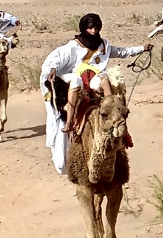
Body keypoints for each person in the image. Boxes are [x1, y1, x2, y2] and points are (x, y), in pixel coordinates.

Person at [40, 13, 152, 174]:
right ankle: (69, 122)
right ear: (84, 28)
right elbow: (57, 58)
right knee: (75, 82)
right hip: (77, 76)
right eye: (90, 28)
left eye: (96, 27)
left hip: (94, 77)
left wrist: (142, 48)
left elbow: (121, 52)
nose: (93, 31)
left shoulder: (103, 45)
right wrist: (53, 68)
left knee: (105, 80)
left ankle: (112, 116)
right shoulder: (74, 46)